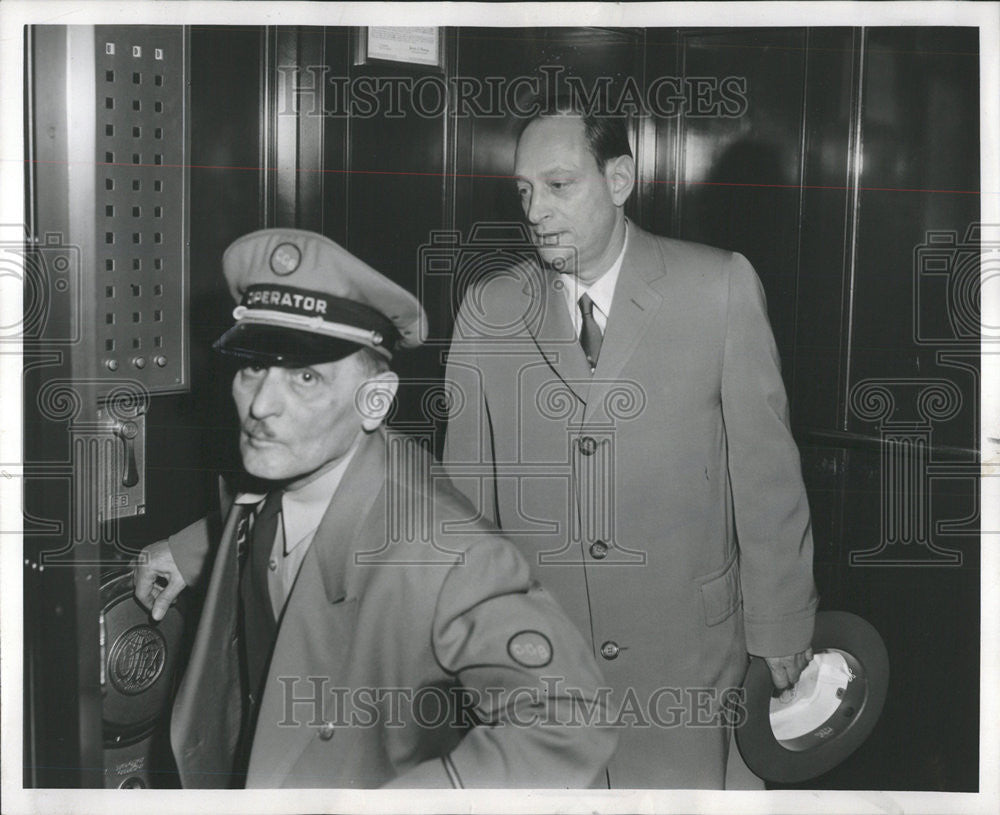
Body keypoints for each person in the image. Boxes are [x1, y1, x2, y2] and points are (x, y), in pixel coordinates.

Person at [133, 228, 617, 789]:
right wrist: (188, 549)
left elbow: (572, 718)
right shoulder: (290, 464)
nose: (262, 406)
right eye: (252, 367)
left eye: (306, 377)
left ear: (376, 400)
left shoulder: (448, 553)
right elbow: (267, 507)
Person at [442, 99, 818, 788]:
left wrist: (783, 626)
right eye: (525, 191)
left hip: (692, 664)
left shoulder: (718, 286)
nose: (536, 210)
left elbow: (767, 479)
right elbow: (466, 498)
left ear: (619, 180)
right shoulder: (489, 309)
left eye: (559, 186)